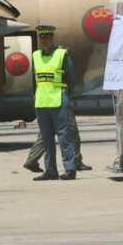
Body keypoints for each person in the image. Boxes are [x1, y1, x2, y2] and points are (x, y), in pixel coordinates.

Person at [30, 25, 78, 181]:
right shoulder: (36, 55)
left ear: (52, 38)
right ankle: (50, 170)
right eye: (41, 38)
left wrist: (65, 95)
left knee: (64, 136)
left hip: (58, 100)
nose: (43, 40)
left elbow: (72, 79)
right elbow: (34, 81)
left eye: (46, 37)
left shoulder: (62, 54)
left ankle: (70, 169)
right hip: (41, 102)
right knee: (46, 138)